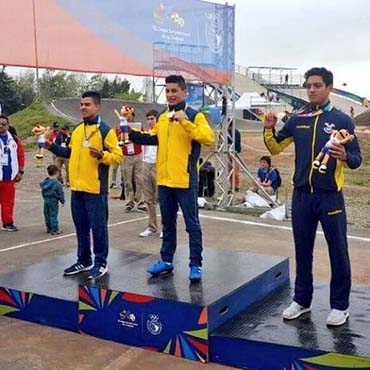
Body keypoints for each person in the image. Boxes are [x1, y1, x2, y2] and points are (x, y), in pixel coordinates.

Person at [263, 67, 362, 326]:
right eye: (308, 85)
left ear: (328, 87)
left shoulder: (343, 120)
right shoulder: (298, 118)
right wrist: (268, 128)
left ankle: (340, 306)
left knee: (338, 251)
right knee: (302, 250)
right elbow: (275, 146)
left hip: (330, 196)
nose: (311, 89)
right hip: (302, 196)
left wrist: (345, 157)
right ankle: (301, 301)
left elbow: (357, 159)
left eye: (317, 85)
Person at [128, 75, 215, 282]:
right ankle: (166, 261)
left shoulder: (195, 116)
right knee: (167, 224)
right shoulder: (162, 117)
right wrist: (129, 131)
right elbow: (152, 138)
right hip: (164, 181)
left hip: (185, 180)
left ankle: (195, 264)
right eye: (167, 91)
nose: (170, 94)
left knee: (192, 224)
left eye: (174, 91)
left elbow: (209, 138)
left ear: (184, 92)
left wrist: (185, 122)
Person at [46, 91, 123, 280]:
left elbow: (118, 156)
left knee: (98, 228)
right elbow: (71, 153)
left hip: (95, 189)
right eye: (81, 104)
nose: (83, 107)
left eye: (87, 104)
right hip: (77, 189)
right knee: (81, 227)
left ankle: (101, 262)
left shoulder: (106, 131)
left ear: (97, 107)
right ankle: (84, 260)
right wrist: (52, 146)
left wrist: (102, 156)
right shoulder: (78, 129)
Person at [0, 115, 25, 232]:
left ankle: (8, 223)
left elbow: (21, 156)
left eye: (3, 124)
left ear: (8, 125)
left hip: (9, 177)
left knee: (8, 202)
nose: (1, 126)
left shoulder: (15, 140)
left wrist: (20, 171)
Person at [119, 106, 146, 213]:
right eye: (125, 115)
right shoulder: (120, 127)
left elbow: (144, 138)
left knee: (139, 179)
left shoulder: (138, 127)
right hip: (126, 156)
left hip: (138, 155)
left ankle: (140, 202)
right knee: (128, 180)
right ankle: (129, 202)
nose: (127, 117)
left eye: (128, 115)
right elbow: (117, 141)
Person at [139, 110, 159, 237]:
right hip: (146, 164)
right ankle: (152, 226)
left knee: (162, 198)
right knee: (148, 198)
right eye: (148, 119)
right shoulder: (146, 134)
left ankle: (166, 228)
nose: (150, 121)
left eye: (152, 118)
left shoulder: (160, 133)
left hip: (158, 165)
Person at [40, 165, 65, 235]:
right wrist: (62, 201)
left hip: (46, 199)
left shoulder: (45, 182)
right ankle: (54, 229)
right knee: (53, 214)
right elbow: (60, 193)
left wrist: (44, 197)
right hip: (53, 200)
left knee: (47, 214)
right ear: (57, 173)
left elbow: (43, 192)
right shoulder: (57, 184)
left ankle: (49, 227)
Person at [227, 124, 241, 192]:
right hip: (228, 154)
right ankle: (231, 185)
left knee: (235, 171)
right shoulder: (225, 132)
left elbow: (237, 144)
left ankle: (236, 186)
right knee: (229, 170)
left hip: (235, 154)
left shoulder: (236, 132)